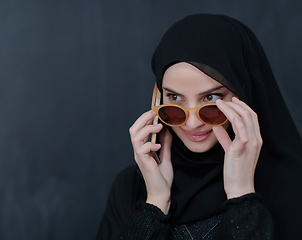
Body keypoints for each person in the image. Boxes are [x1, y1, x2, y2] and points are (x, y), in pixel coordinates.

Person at [96, 14, 302, 239]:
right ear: (157, 98)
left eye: (211, 98)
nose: (192, 123)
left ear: (243, 92)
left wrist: (241, 196)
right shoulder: (132, 186)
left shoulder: (292, 188)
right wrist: (155, 204)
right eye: (174, 97)